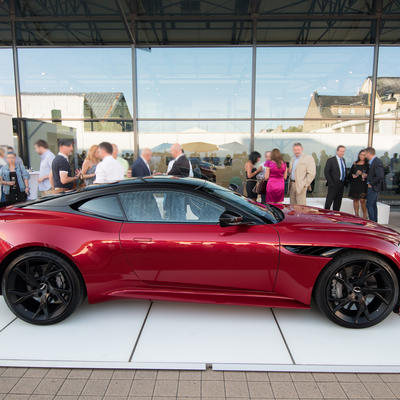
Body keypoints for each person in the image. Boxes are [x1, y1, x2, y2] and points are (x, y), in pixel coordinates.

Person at [324, 145, 347, 211]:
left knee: (338, 202)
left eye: (343, 151)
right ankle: (326, 216)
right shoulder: (331, 160)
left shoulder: (343, 160)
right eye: (341, 151)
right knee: (329, 202)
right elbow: (326, 172)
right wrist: (331, 183)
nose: (342, 153)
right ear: (337, 151)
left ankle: (335, 217)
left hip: (341, 184)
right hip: (333, 184)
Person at [365, 147, 385, 222]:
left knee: (369, 205)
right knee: (372, 205)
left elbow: (380, 176)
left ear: (369, 153)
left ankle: (372, 223)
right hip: (373, 187)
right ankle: (374, 222)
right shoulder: (373, 162)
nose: (365, 156)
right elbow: (375, 174)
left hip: (374, 187)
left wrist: (371, 183)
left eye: (366, 154)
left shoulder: (377, 162)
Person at [348, 149, 369, 218]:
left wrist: (364, 174)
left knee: (362, 200)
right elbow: (350, 174)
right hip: (355, 184)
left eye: (363, 155)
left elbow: (370, 174)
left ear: (366, 156)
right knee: (355, 199)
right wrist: (352, 175)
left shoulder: (367, 165)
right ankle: (356, 215)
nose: (362, 156)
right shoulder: (355, 164)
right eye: (360, 154)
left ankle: (365, 216)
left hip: (363, 184)